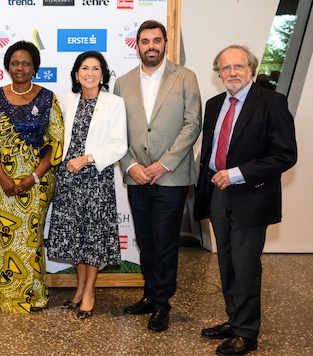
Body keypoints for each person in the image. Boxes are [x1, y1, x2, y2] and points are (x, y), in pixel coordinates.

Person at [194, 45, 297, 356]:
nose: (232, 73)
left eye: (238, 67)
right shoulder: (214, 105)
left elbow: (285, 155)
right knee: (226, 263)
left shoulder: (272, 103)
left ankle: (247, 333)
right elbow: (211, 153)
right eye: (225, 68)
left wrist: (236, 173)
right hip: (218, 195)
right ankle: (234, 319)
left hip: (252, 196)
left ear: (251, 69)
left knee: (246, 266)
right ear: (219, 73)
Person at [112, 19, 202, 332]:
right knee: (146, 241)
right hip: (136, 175)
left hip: (171, 175)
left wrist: (163, 164)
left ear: (165, 43)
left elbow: (192, 124)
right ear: (137, 45)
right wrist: (130, 165)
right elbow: (116, 131)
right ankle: (150, 295)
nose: (151, 46)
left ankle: (162, 304)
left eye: (156, 41)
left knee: (165, 243)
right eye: (145, 41)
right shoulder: (122, 82)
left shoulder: (186, 77)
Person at [0, 40, 64, 314]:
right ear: (7, 66)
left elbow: (55, 143)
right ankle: (6, 295)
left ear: (35, 67)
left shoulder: (48, 98)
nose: (20, 67)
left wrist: (32, 178)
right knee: (5, 235)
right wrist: (4, 179)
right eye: (15, 62)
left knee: (32, 237)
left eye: (25, 63)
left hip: (38, 180)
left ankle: (34, 296)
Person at [47, 51, 127, 319]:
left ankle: (90, 292)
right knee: (76, 238)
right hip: (68, 180)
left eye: (95, 68)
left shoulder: (114, 103)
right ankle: (79, 289)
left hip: (95, 179)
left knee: (92, 239)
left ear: (102, 74)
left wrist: (88, 159)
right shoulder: (69, 100)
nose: (89, 73)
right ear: (76, 73)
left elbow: (119, 145)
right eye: (84, 68)